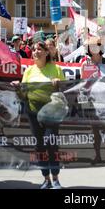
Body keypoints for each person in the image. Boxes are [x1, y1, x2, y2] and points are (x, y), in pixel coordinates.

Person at [19, 41, 66, 189]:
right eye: (33, 49)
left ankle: (56, 178)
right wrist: (17, 88)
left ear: (46, 53)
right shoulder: (28, 71)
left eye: (39, 49)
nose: (36, 52)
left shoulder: (56, 68)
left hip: (52, 113)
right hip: (33, 112)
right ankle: (46, 179)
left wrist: (58, 84)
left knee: (51, 143)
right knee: (39, 146)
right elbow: (22, 95)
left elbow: (65, 91)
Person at [80, 37, 105, 164]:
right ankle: (97, 155)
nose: (94, 48)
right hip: (92, 101)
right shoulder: (85, 64)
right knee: (95, 130)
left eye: (96, 45)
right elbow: (82, 85)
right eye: (91, 46)